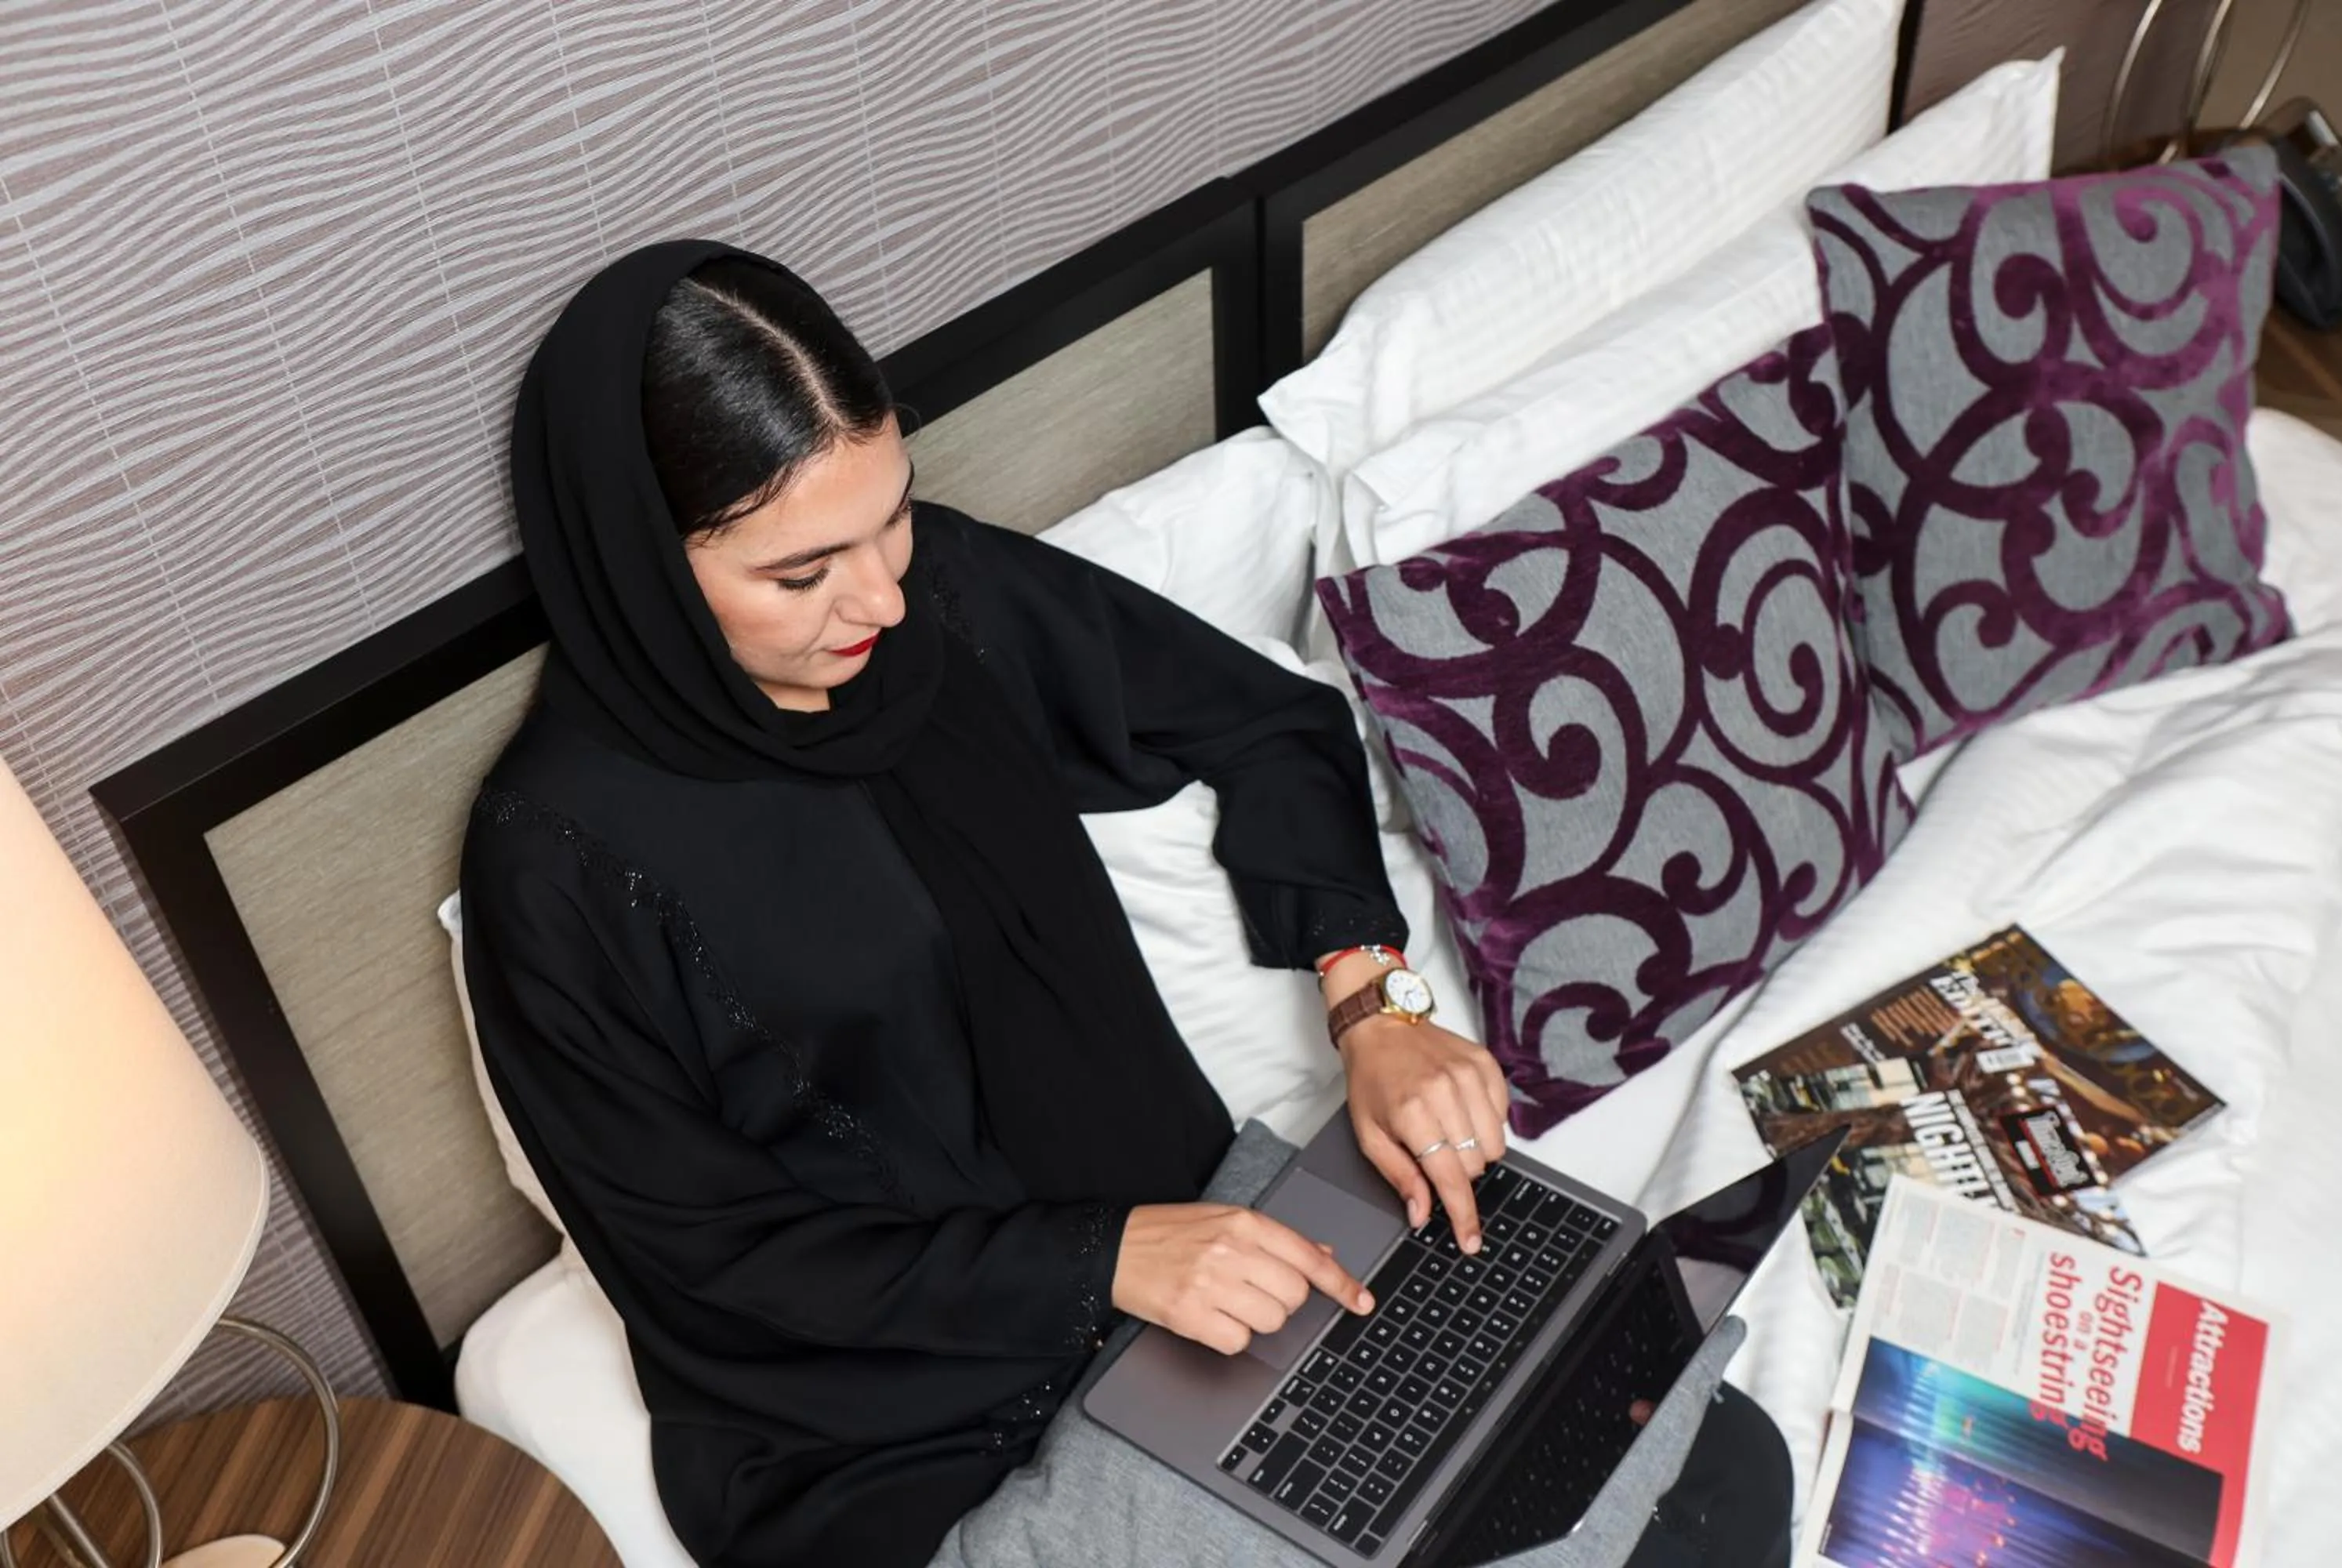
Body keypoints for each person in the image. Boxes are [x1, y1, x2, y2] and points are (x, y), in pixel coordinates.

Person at [460, 240, 1792, 1568]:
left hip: (1209, 1252)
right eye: (802, 574)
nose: (879, 597)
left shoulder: (948, 607)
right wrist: (1100, 1261)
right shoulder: (559, 864)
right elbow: (714, 1270)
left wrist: (1373, 999)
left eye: (895, 516)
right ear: (637, 558)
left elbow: (1268, 726)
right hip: (896, 1430)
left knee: (1712, 1461)